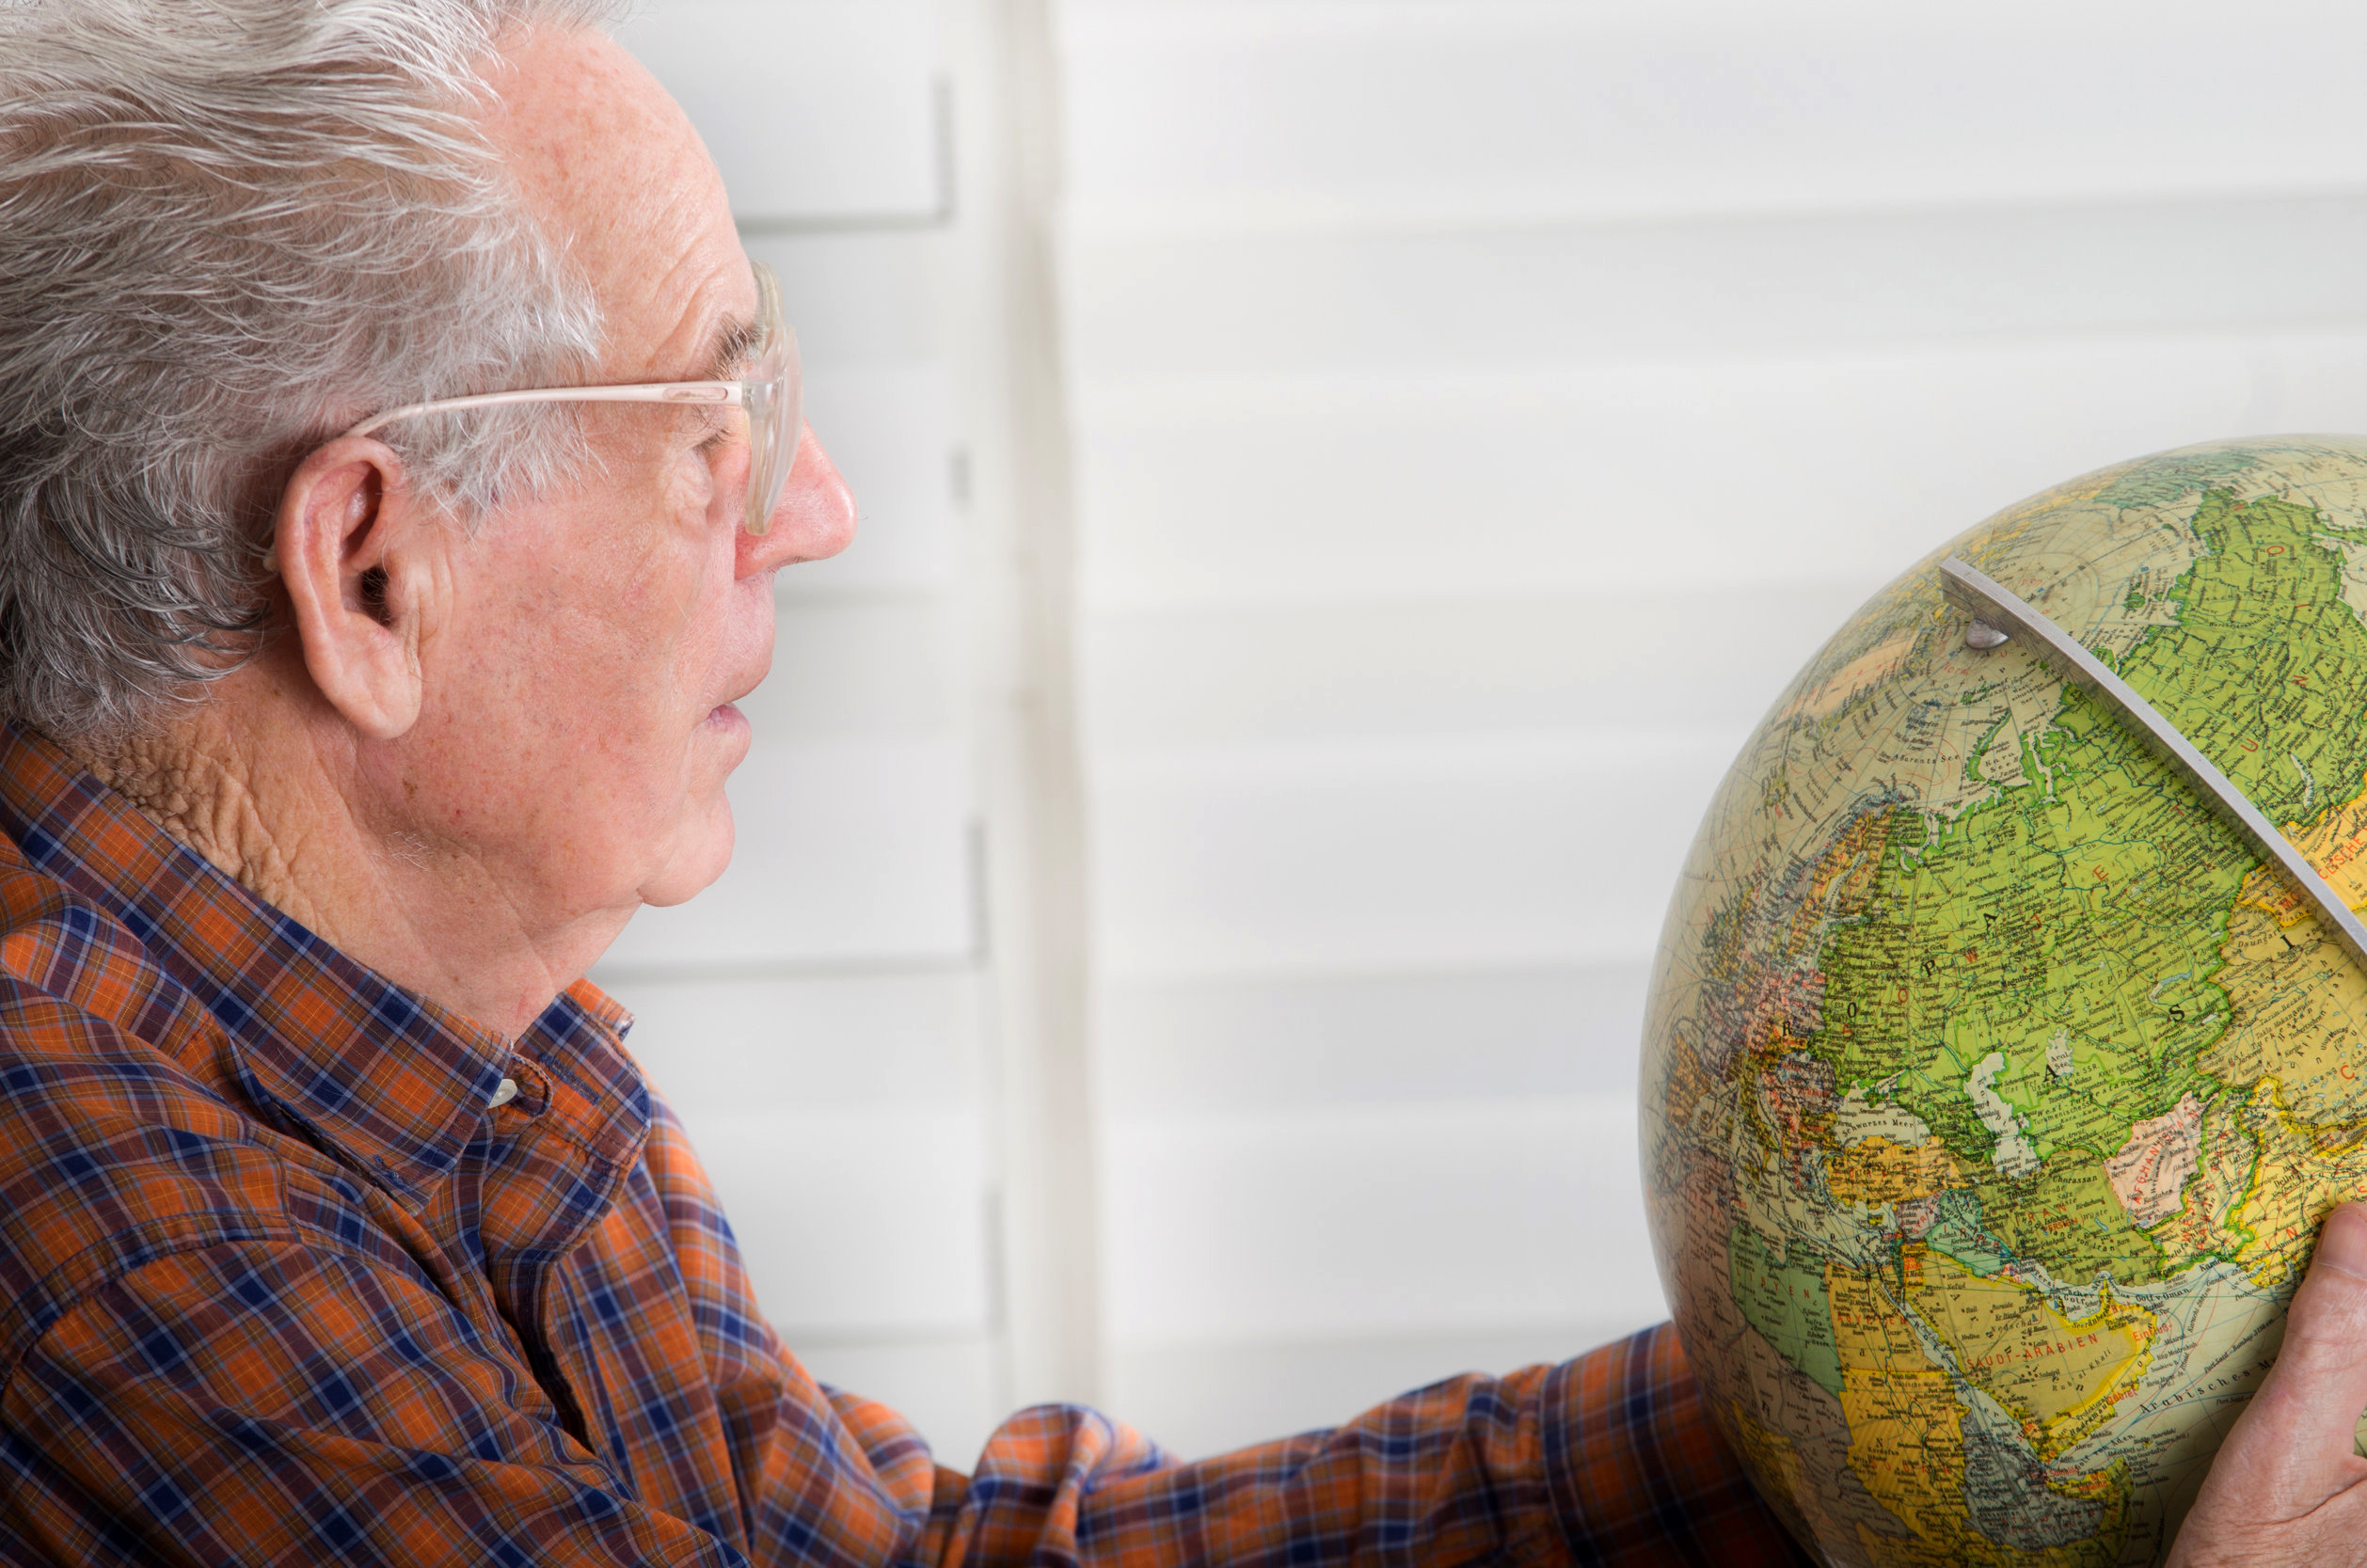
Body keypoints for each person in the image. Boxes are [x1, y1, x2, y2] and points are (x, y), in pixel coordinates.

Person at [0, 3, 2353, 1563]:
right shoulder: (95, 1225)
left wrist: (1845, 1375)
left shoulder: (475, 1075)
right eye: (725, 427)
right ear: (374, 574)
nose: (810, 512)